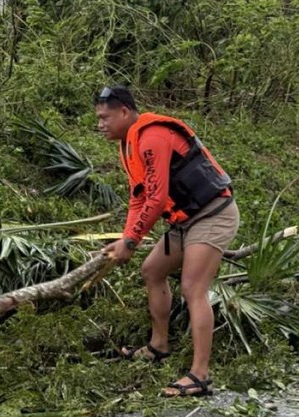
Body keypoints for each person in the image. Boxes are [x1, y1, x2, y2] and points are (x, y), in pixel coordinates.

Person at [95, 85, 239, 398]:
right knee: (152, 270)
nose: (100, 124)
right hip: (185, 220)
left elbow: (158, 198)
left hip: (213, 214)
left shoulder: (152, 137)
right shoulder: (128, 145)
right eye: (98, 118)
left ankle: (200, 376)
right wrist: (126, 238)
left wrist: (131, 241)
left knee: (193, 288)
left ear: (124, 112)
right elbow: (140, 199)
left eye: (105, 117)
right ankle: (158, 346)